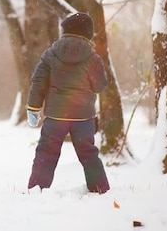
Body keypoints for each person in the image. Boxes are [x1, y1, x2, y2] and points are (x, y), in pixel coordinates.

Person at [26, 12, 110, 194]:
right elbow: (99, 85)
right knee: (88, 153)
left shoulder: (50, 54)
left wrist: (33, 108)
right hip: (83, 117)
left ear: (64, 31)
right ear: (87, 33)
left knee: (46, 152)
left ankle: (37, 189)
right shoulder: (93, 57)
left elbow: (38, 82)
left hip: (56, 116)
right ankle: (100, 189)